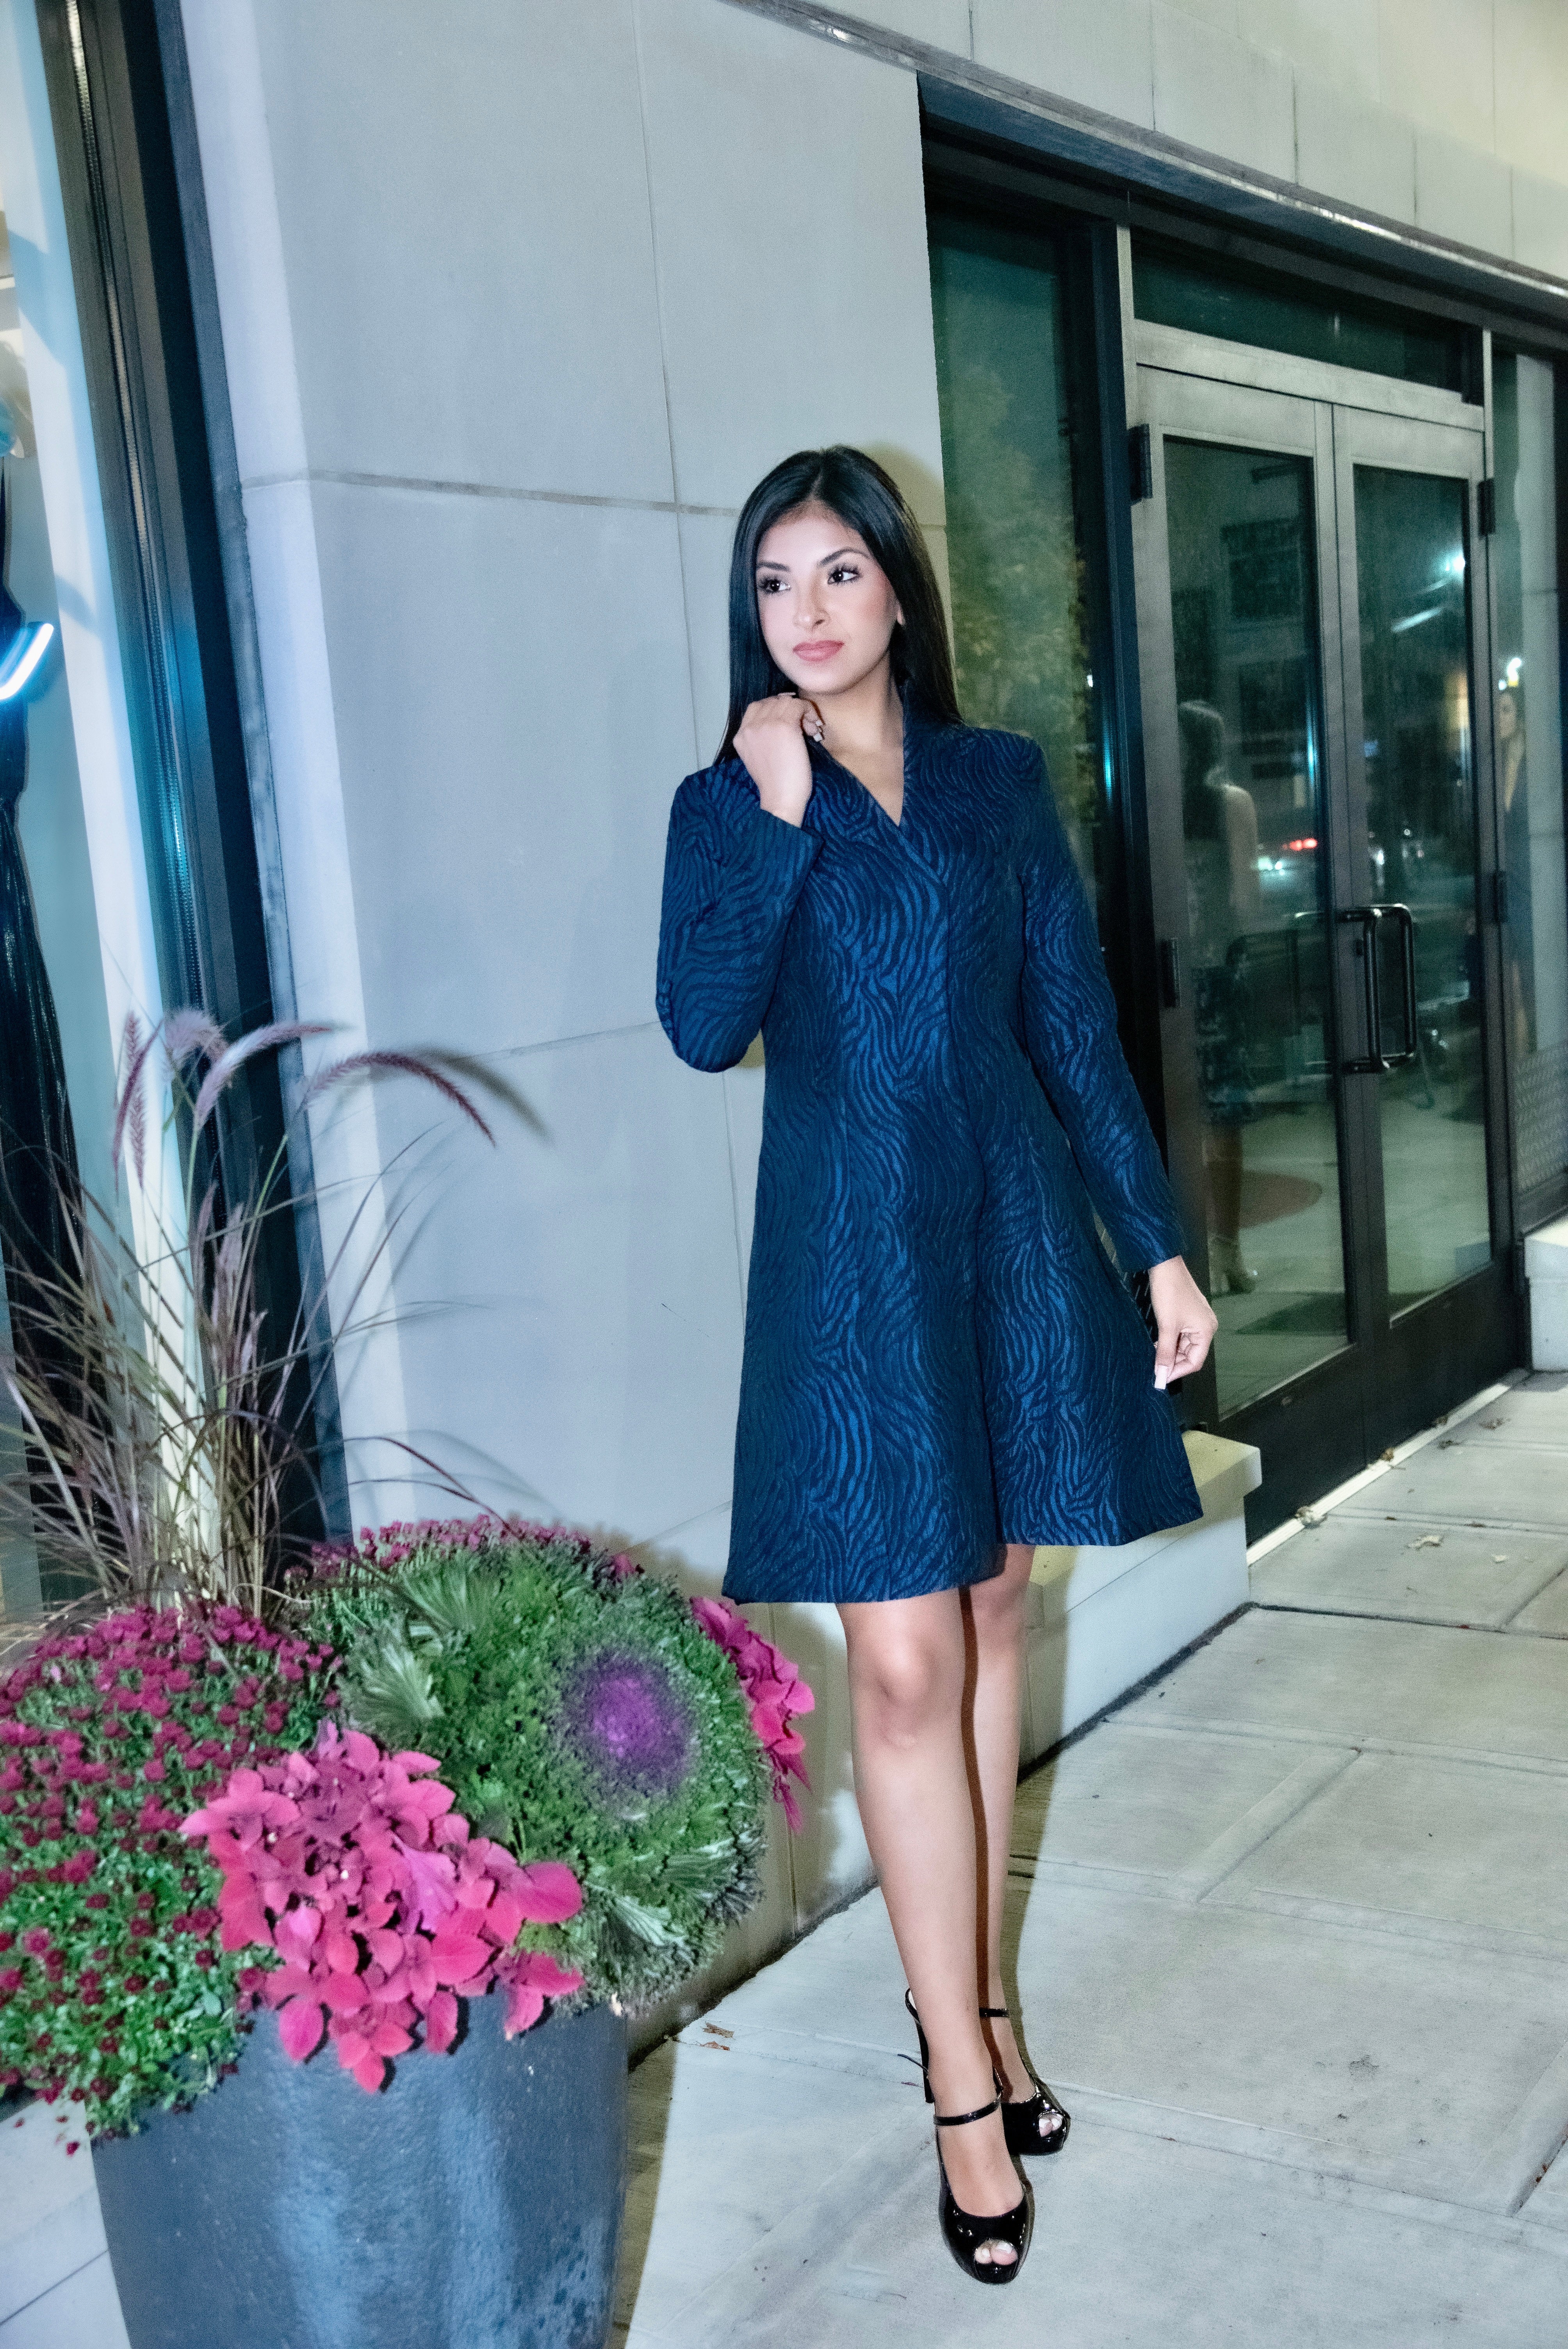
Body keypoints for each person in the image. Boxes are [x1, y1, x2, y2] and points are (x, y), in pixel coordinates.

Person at [655, 447, 1215, 2285]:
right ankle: (959, 2089)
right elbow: (699, 1022)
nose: (804, 612)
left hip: (1008, 1243)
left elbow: (1065, 1015)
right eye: (772, 583)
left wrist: (1150, 1238)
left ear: (896, 588)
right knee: (898, 1664)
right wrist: (768, 810)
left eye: (836, 572)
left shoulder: (993, 781)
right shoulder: (730, 796)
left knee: (983, 1616)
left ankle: (967, 2001)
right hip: (848, 1271)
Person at [1177, 700, 1263, 1296]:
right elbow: (1245, 897)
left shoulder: (1158, 805)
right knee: (1223, 1116)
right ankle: (1226, 1249)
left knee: (1179, 1113)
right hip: (1217, 969)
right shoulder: (1231, 804)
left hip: (1171, 973)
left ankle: (1190, 1255)